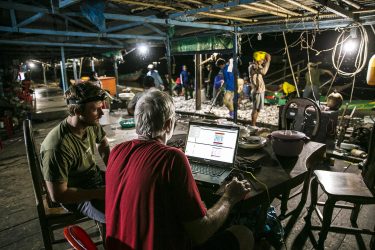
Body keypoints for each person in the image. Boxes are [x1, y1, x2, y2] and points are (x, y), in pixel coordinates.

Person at [106, 90, 254, 250]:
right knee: (243, 233)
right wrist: (229, 197)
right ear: (169, 124)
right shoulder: (172, 158)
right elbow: (201, 233)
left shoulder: (116, 151)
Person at [40, 83, 110, 224]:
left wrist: (113, 171)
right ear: (78, 111)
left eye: (101, 107)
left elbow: (103, 143)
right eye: (96, 109)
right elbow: (58, 195)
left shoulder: (90, 124)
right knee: (119, 215)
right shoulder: (57, 147)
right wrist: (100, 193)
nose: (101, 114)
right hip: (76, 196)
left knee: (138, 191)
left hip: (95, 180)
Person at [249, 51, 271, 127]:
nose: (263, 61)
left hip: (260, 90)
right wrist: (268, 61)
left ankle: (254, 124)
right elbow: (264, 72)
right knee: (255, 109)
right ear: (257, 60)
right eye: (262, 59)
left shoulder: (258, 65)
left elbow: (263, 69)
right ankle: (253, 125)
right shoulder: (253, 66)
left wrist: (266, 61)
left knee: (258, 109)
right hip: (257, 91)